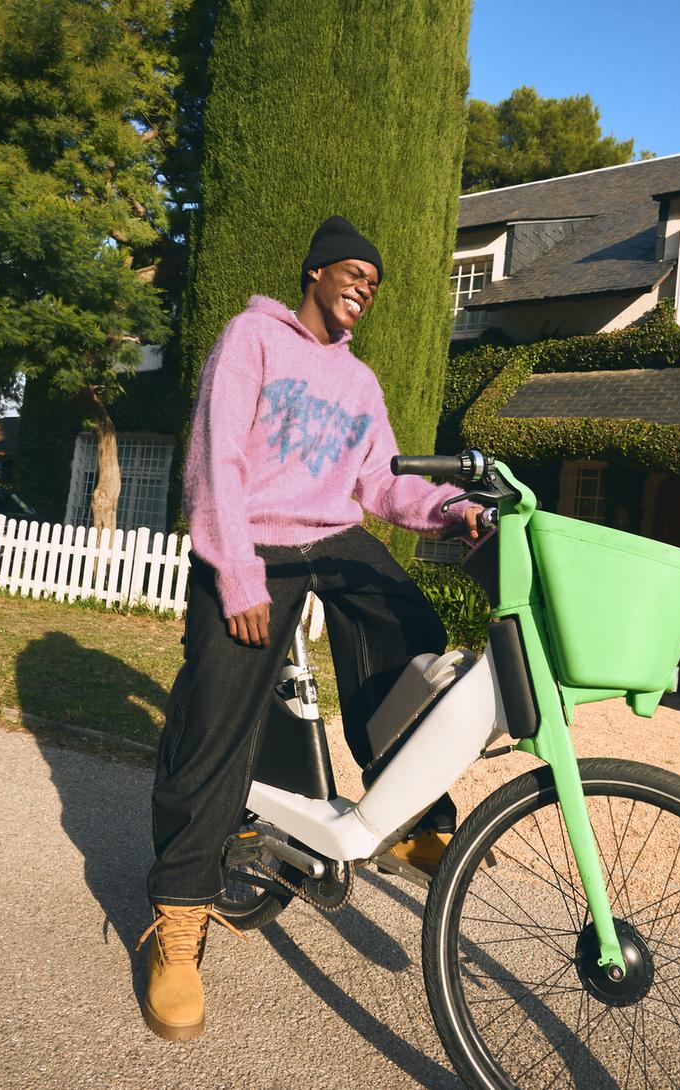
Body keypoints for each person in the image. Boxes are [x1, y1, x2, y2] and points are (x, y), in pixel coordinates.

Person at [137, 216, 480, 1041]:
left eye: (374, 279)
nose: (364, 286)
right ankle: (179, 920)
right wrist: (237, 573)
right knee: (217, 713)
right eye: (352, 271)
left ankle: (405, 810)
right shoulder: (252, 337)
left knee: (409, 621)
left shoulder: (359, 383)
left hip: (329, 535)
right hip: (250, 532)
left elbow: (384, 482)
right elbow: (214, 457)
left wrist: (453, 509)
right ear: (316, 273)